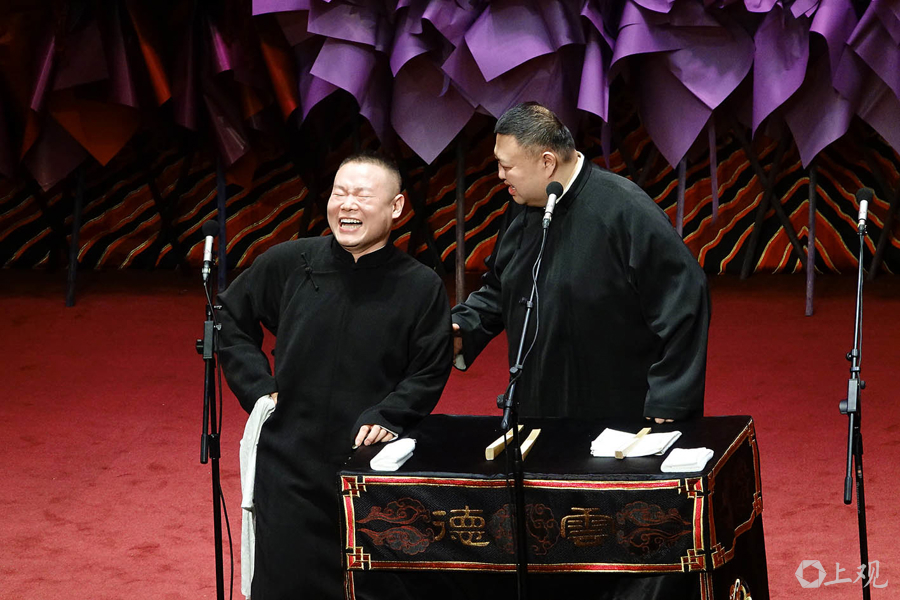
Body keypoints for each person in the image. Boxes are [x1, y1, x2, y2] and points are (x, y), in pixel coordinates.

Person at [217, 151, 453, 600]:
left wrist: (390, 414)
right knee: (285, 583)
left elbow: (429, 368)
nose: (347, 204)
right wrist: (259, 389)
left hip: (369, 467)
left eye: (362, 195)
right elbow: (228, 317)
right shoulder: (291, 262)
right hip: (289, 459)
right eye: (339, 193)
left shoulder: (420, 285)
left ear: (396, 207)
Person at [452, 101, 709, 425]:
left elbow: (685, 298)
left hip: (616, 412)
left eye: (507, 166)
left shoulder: (625, 209)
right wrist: (464, 327)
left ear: (547, 162)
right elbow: (503, 285)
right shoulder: (524, 203)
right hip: (538, 405)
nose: (500, 175)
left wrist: (672, 397)